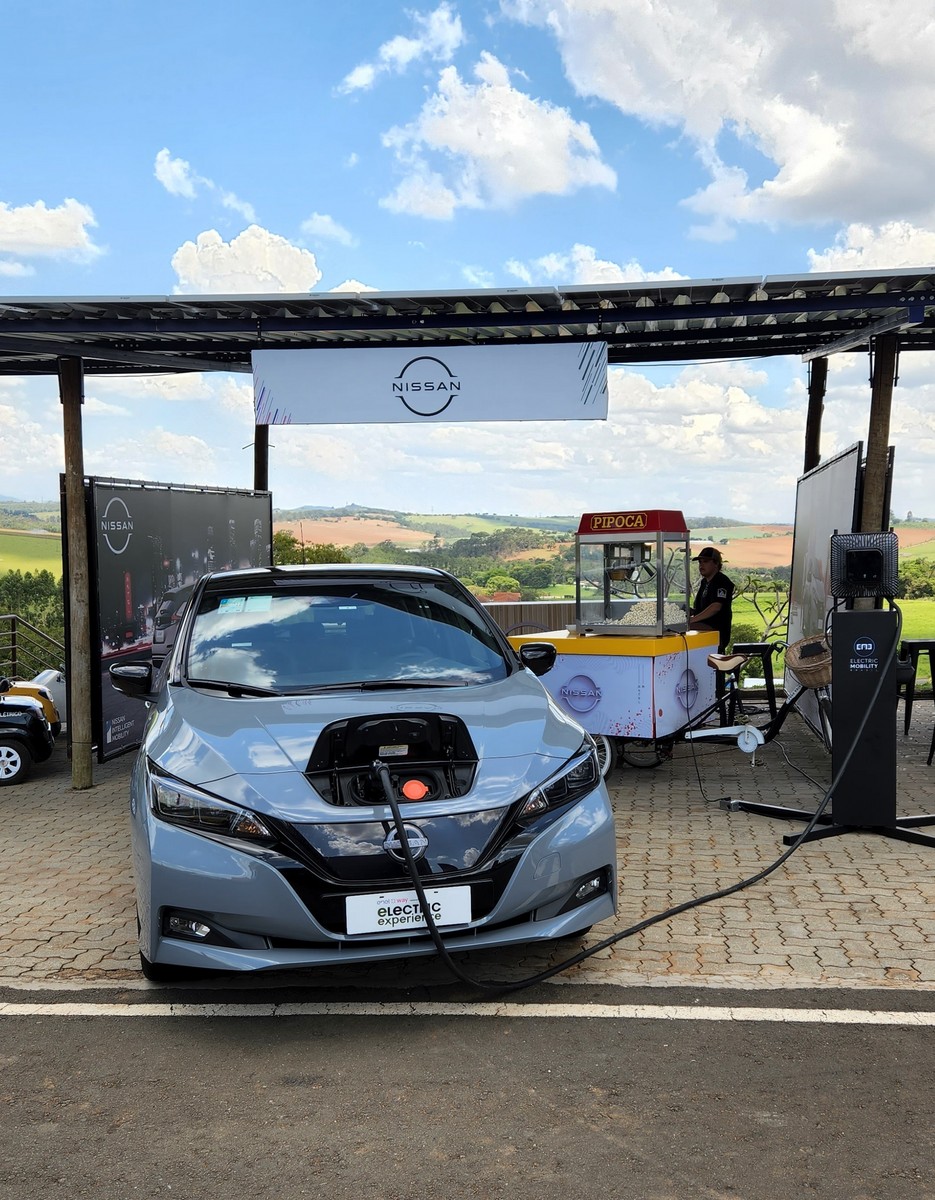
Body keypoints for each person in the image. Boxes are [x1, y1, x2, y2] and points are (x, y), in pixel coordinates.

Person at [689, 546, 734, 652]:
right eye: (700, 562)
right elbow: (702, 610)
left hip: (716, 631)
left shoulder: (722, 581)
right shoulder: (704, 582)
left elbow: (716, 607)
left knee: (683, 630)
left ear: (716, 563)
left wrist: (692, 620)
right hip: (703, 627)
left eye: (705, 561)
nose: (701, 565)